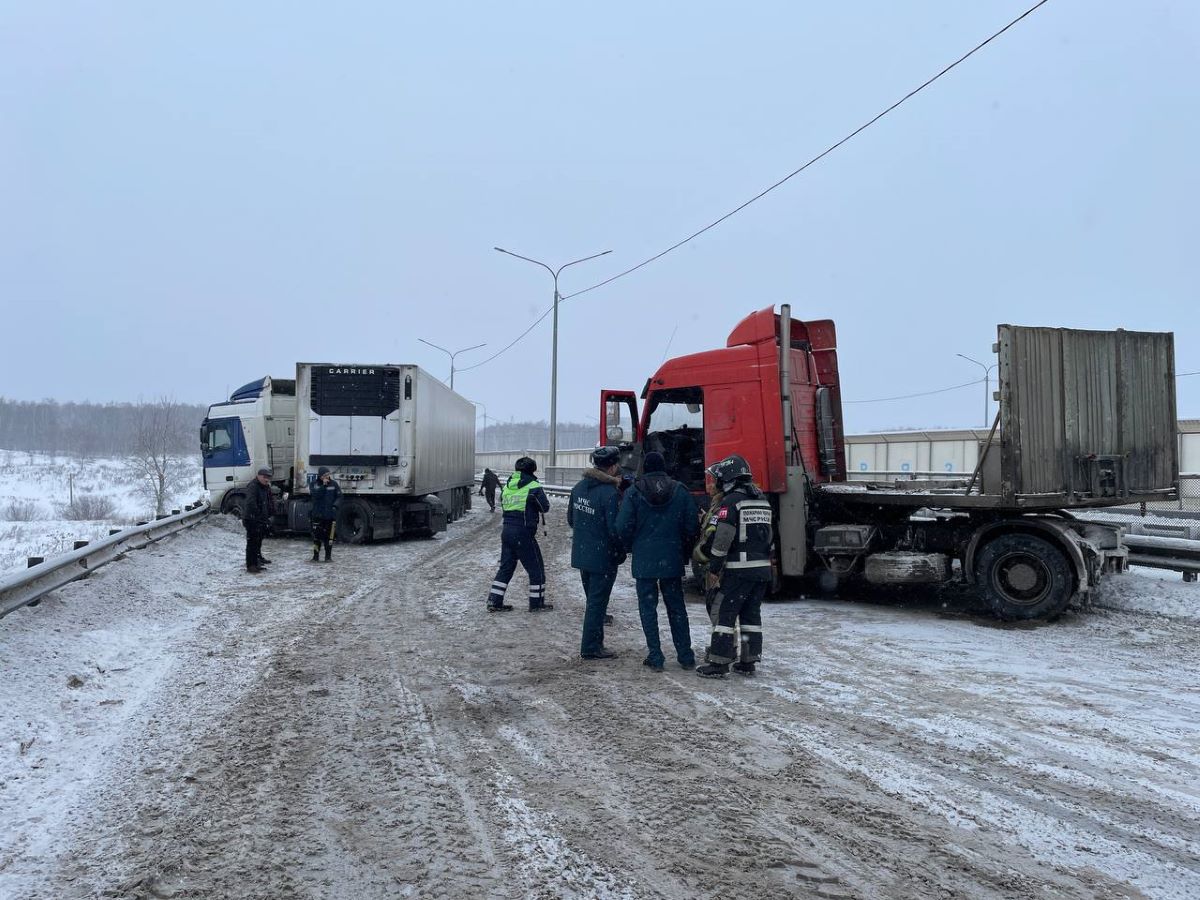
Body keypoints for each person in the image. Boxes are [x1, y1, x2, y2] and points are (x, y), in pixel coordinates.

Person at [616, 451, 700, 671]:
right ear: (664, 467)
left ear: (645, 467)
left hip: (644, 560)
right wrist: (683, 548)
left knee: (648, 608)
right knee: (676, 608)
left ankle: (656, 655)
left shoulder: (634, 492)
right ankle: (685, 655)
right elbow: (692, 526)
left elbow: (622, 526)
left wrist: (631, 546)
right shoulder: (680, 491)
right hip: (671, 559)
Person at [694, 454, 774, 678]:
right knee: (751, 616)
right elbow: (769, 536)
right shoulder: (762, 500)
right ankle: (748, 661)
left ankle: (719, 663)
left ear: (727, 479)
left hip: (738, 570)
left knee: (724, 615)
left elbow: (723, 538)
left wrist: (714, 566)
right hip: (761, 569)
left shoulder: (731, 502)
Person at [567, 446, 625, 660]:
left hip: (583, 555)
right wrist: (620, 552)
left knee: (593, 601)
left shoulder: (579, 487)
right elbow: (614, 529)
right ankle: (591, 647)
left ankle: (596, 644)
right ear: (612, 467)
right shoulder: (610, 493)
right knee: (597, 604)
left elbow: (571, 519)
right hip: (603, 557)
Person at [487, 457, 552, 612]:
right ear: (533, 470)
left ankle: (494, 602)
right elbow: (545, 506)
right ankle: (536, 604)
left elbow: (503, 502)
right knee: (536, 569)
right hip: (523, 533)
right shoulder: (534, 486)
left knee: (506, 567)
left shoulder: (508, 486)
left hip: (507, 531)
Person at [243, 467, 275, 574]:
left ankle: (256, 562)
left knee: (257, 542)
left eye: (268, 478)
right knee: (252, 543)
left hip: (260, 520)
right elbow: (251, 504)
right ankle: (251, 565)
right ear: (259, 476)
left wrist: (269, 514)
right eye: (265, 477)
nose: (267, 480)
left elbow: (267, 502)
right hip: (252, 519)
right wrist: (259, 516)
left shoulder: (264, 487)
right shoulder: (253, 486)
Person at [309, 466, 341, 562]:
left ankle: (328, 557)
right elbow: (315, 495)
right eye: (325, 475)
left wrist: (335, 506)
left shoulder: (334, 484)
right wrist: (323, 486)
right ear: (320, 476)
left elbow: (339, 496)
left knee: (329, 538)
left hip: (330, 516)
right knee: (316, 538)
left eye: (328, 474)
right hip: (317, 515)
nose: (327, 477)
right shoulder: (314, 484)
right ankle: (315, 557)